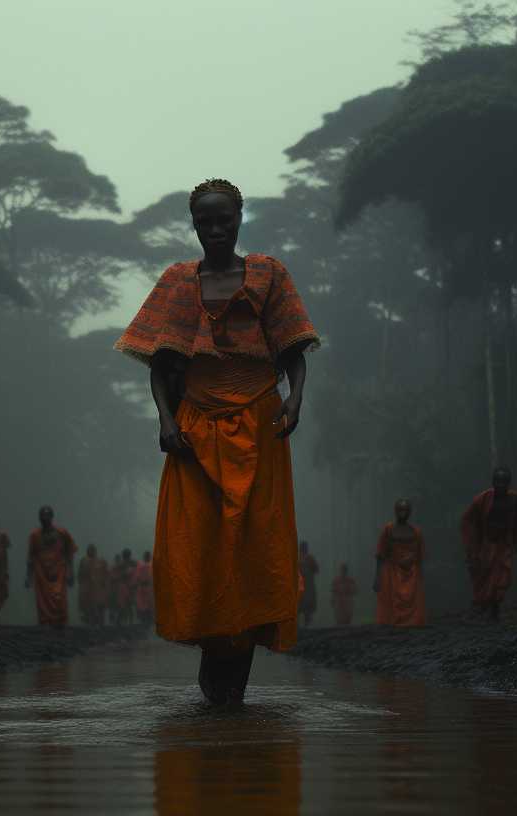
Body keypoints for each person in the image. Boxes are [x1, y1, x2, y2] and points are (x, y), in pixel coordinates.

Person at [115, 178, 318, 706]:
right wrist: (165, 419)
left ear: (239, 217)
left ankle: (235, 679)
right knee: (200, 545)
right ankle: (214, 666)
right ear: (194, 224)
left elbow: (293, 348)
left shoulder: (270, 275)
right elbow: (161, 366)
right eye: (204, 220)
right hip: (194, 433)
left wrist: (295, 399)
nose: (215, 228)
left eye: (223, 218)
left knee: (251, 546)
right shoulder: (178, 283)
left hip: (260, 428)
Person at [461, 466, 517, 622]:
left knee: (502, 578)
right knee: (484, 577)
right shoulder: (483, 498)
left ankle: (495, 610)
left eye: (504, 482)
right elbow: (468, 520)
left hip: (504, 544)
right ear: (493, 482)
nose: (501, 485)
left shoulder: (515, 499)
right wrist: (471, 547)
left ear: (508, 483)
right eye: (498, 481)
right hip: (487, 544)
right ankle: (480, 606)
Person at [375, 499, 427, 627]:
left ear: (409, 512)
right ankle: (393, 623)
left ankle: (412, 622)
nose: (403, 513)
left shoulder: (416, 532)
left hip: (412, 574)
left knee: (412, 600)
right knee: (392, 601)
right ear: (395, 511)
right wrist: (377, 577)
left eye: (405, 510)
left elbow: (420, 554)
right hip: (392, 573)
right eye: (400, 509)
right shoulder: (388, 529)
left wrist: (419, 572)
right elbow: (381, 554)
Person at [25, 505, 76, 629]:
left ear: (52, 517)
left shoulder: (62, 533)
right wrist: (29, 576)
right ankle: (44, 624)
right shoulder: (34, 535)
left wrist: (70, 572)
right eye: (42, 515)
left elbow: (69, 553)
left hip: (58, 571)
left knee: (59, 599)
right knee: (42, 601)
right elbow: (31, 557)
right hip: (42, 573)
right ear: (39, 518)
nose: (44, 518)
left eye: (47, 515)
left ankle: (61, 624)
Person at [78, 544, 111, 627]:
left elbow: (106, 574)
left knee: (100, 607)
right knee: (88, 608)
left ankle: (100, 625)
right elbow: (80, 575)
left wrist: (105, 584)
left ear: (95, 551)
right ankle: (90, 624)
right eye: (89, 550)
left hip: (98, 589)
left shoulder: (101, 561)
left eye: (92, 550)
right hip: (87, 589)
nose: (91, 552)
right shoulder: (84, 561)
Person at [298, 540, 320, 628]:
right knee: (299, 605)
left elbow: (316, 569)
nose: (303, 549)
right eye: (302, 547)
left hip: (308, 586)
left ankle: (307, 625)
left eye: (304, 547)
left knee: (308, 604)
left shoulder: (310, 558)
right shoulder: (297, 558)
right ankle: (298, 626)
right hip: (299, 585)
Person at [113, 549, 136, 626]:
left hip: (129, 587)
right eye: (126, 555)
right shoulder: (122, 564)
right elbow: (117, 575)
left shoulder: (132, 563)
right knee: (124, 606)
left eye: (127, 555)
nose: (126, 557)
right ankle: (120, 622)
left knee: (128, 606)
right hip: (124, 587)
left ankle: (129, 623)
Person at [134, 550, 155, 626]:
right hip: (143, 589)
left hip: (150, 589)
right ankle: (145, 625)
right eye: (147, 556)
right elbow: (137, 578)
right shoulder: (141, 566)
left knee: (149, 608)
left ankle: (147, 625)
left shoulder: (151, 565)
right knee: (143, 608)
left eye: (148, 556)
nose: (148, 557)